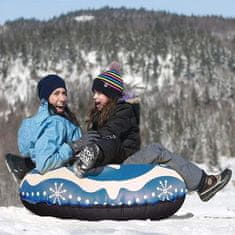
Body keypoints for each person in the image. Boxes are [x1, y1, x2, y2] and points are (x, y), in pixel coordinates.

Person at [71, 62, 232, 202]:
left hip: (124, 164)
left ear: (111, 94)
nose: (94, 97)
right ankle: (87, 158)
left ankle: (203, 183)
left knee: (156, 150)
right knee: (101, 139)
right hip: (110, 164)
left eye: (99, 93)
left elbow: (111, 131)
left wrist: (95, 143)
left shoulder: (124, 111)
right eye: (94, 93)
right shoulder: (99, 115)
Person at [17, 74, 99, 174]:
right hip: (63, 183)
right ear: (46, 98)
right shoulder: (55, 123)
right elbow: (44, 164)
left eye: (64, 93)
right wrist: (74, 146)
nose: (63, 98)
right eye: (56, 94)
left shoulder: (43, 122)